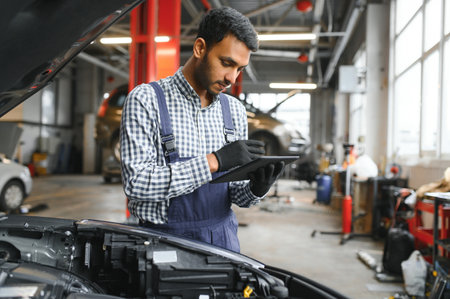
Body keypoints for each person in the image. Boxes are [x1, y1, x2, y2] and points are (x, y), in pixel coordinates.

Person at [120, 7, 284, 252]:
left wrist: (255, 188)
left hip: (222, 240)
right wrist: (214, 161)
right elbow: (137, 183)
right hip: (163, 243)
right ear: (200, 48)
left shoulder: (235, 111)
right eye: (226, 63)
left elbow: (236, 196)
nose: (232, 78)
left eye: (239, 68)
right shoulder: (147, 100)